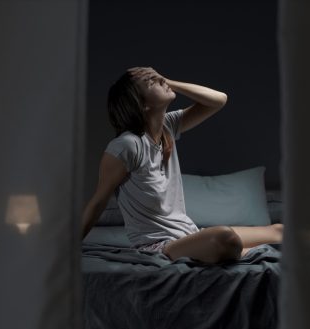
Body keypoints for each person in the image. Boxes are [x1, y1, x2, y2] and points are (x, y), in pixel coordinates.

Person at [81, 66, 283, 264]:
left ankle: (231, 251)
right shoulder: (126, 146)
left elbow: (219, 100)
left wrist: (169, 82)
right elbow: (98, 203)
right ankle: (246, 252)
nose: (161, 80)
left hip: (189, 235)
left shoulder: (168, 126)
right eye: (152, 82)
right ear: (143, 105)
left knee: (279, 231)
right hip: (159, 246)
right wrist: (69, 246)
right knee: (224, 237)